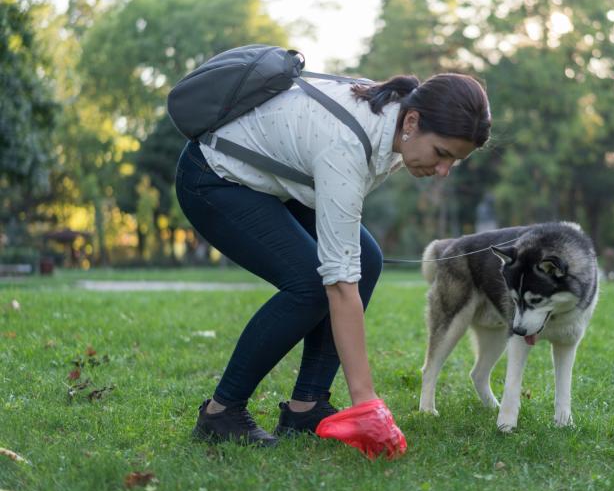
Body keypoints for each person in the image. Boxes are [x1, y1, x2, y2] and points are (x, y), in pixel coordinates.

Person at [175, 71, 491, 451]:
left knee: (368, 261)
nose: (443, 171)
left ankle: (306, 406)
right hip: (214, 178)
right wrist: (367, 403)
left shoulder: (393, 121)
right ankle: (220, 414)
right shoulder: (347, 144)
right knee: (310, 285)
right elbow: (340, 285)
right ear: (412, 122)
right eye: (442, 154)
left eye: (454, 161)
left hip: (273, 181)